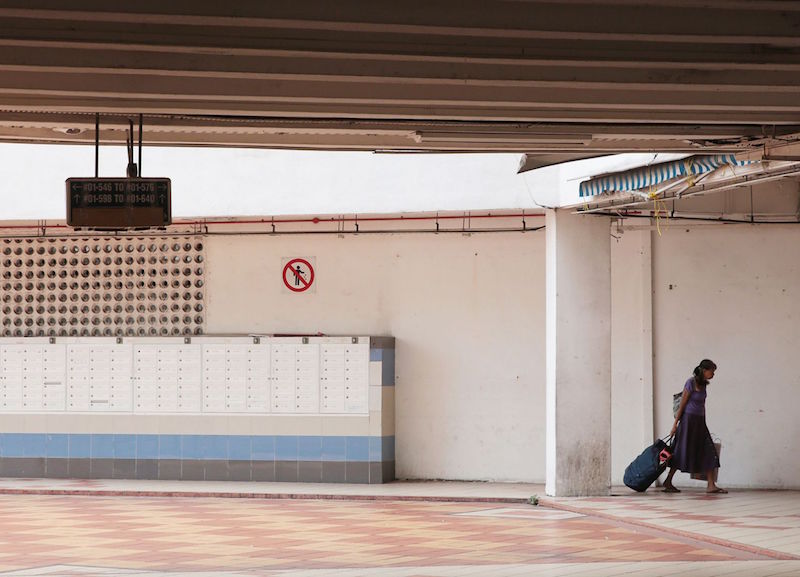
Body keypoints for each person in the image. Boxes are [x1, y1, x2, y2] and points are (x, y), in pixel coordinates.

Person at [662, 359, 727, 494]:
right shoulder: (690, 382)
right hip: (688, 421)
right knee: (681, 450)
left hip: (699, 422)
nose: (713, 374)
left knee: (708, 450)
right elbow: (682, 404)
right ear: (704, 370)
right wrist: (675, 425)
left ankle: (711, 485)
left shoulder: (704, 385)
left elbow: (702, 405)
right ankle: (668, 480)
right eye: (712, 371)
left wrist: (703, 421)